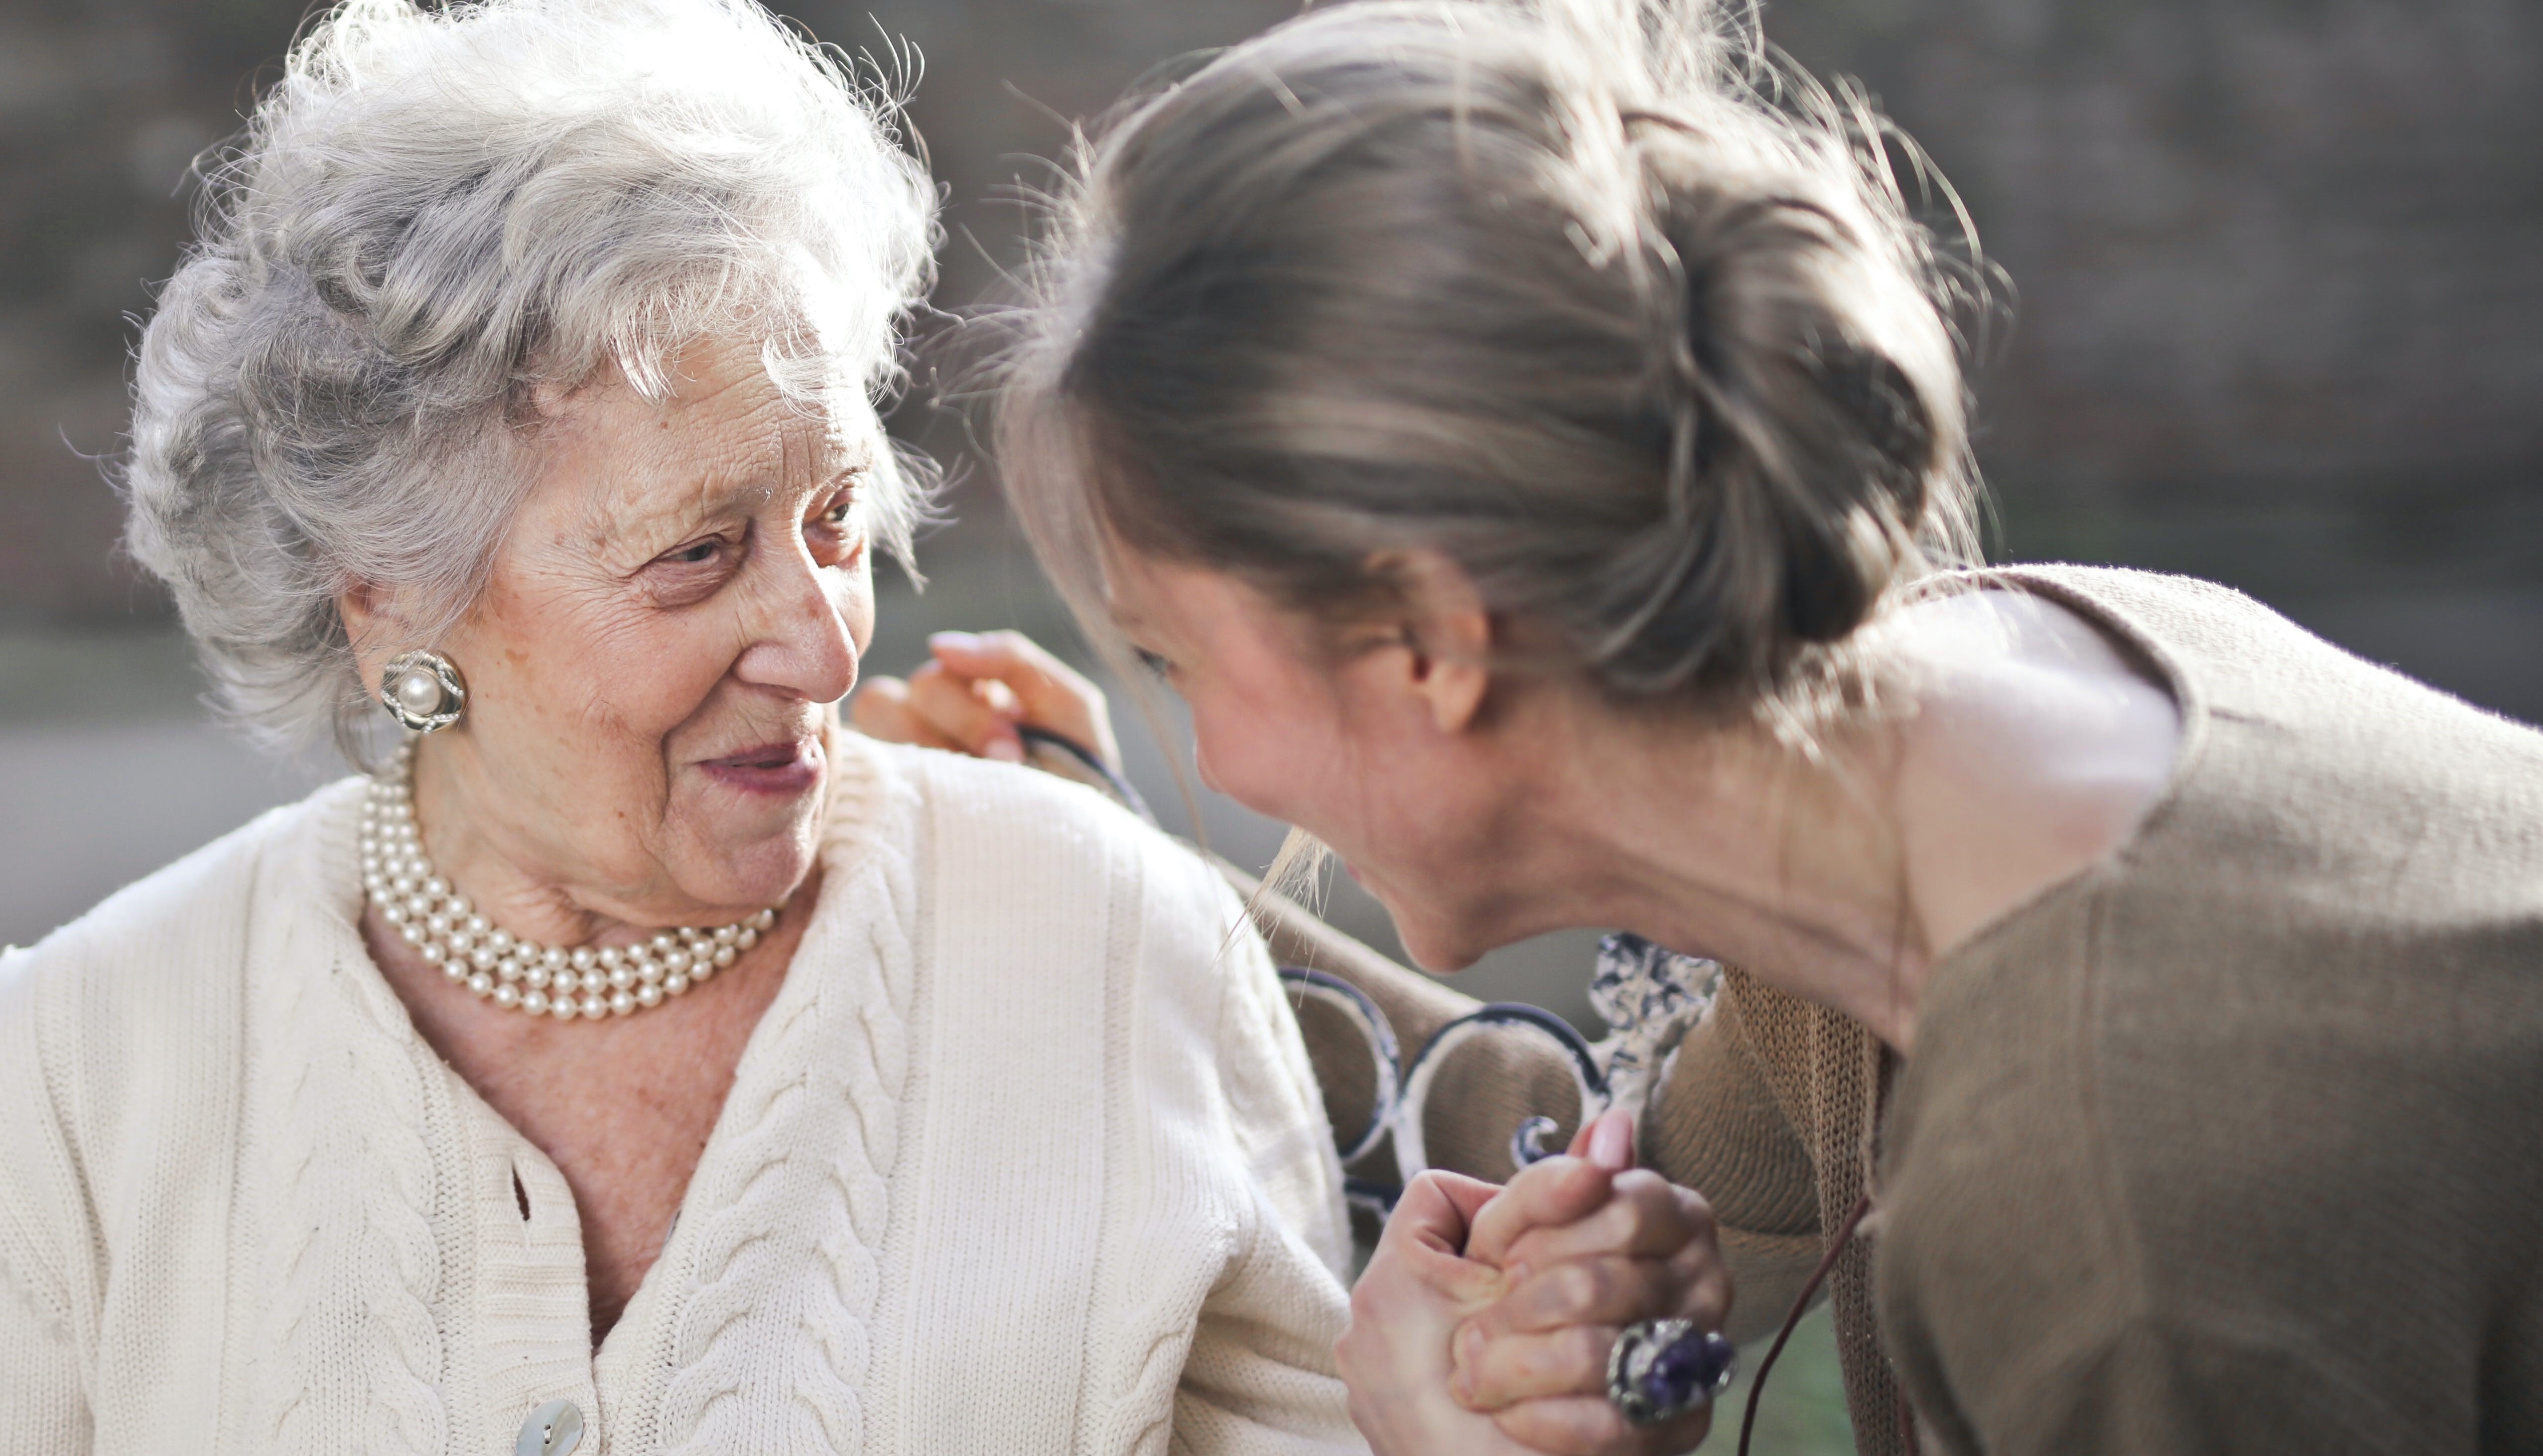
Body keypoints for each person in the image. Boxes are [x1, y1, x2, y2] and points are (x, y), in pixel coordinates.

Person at [0, 1, 1723, 1452]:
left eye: (835, 520)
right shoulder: (80, 1060)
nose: (823, 637)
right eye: (697, 554)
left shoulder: (1100, 940)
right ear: (393, 601)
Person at [937, 0, 2543, 1452]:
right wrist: (1091, 859)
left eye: (1179, 660)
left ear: (1426, 638)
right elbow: (1591, 1153)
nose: (1213, 759)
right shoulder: (1970, 718)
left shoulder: (2115, 1215)